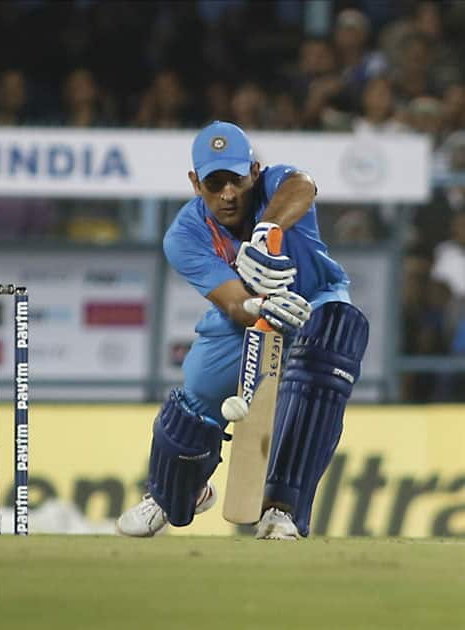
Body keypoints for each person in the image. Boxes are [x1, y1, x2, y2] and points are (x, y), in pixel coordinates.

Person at [116, 121, 368, 540]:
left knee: (332, 339)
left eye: (235, 179)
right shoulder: (184, 235)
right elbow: (233, 303)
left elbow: (303, 185)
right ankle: (174, 494)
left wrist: (267, 230)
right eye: (214, 184)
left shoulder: (277, 186)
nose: (228, 194)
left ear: (253, 172)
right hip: (247, 314)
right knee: (198, 388)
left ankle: (282, 510)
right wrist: (259, 307)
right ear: (196, 184)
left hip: (313, 302)